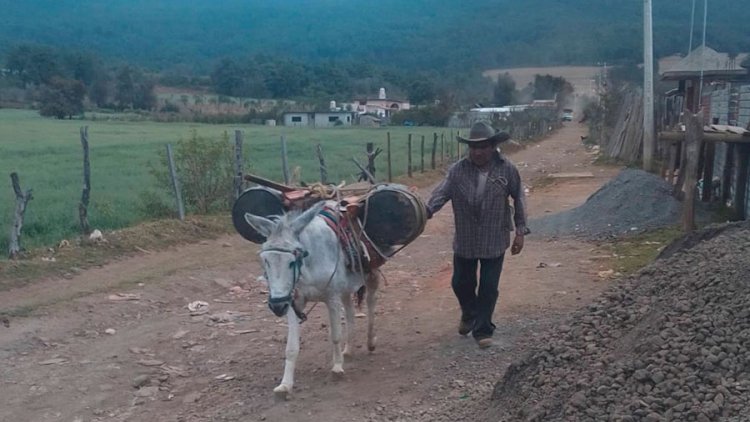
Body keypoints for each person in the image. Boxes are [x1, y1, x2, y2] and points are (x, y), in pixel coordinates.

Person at [426, 121, 528, 349]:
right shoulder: (458, 170)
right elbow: (441, 193)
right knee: (460, 283)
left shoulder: (507, 169)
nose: (477, 152)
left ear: (493, 146)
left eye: (482, 147)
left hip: (494, 237)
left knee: (488, 287)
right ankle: (469, 313)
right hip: (466, 239)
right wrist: (425, 211)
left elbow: (519, 197)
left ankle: (483, 329)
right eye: (473, 147)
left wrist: (520, 231)